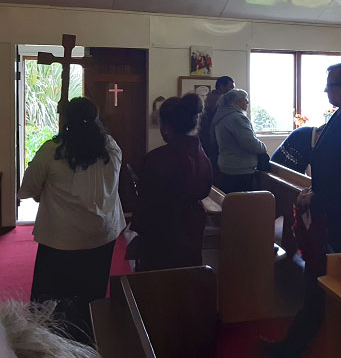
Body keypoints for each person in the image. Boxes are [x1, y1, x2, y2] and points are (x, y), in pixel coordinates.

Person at [262, 62, 341, 358]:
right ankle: (295, 345)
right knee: (318, 285)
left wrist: (318, 198)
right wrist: (315, 192)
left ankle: (297, 346)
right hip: (338, 215)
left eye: (330, 84)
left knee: (328, 286)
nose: (326, 90)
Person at [18, 97, 124, 343]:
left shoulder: (52, 150)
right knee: (92, 293)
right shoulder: (111, 146)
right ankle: (87, 337)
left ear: (66, 120)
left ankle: (50, 343)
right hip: (102, 234)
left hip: (61, 239)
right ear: (96, 119)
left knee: (50, 298)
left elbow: (30, 188)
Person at [132, 93, 213, 271]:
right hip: (192, 225)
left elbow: (146, 202)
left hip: (163, 230)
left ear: (166, 126)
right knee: (187, 277)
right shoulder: (201, 154)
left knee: (160, 283)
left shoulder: (157, 159)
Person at [213, 88, 267, 193]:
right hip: (240, 168)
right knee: (242, 203)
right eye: (245, 99)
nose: (247, 102)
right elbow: (250, 143)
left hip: (227, 164)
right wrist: (263, 147)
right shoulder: (237, 118)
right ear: (236, 102)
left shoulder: (221, 116)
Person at [199, 75, 235, 162]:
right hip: (212, 141)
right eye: (231, 87)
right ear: (221, 87)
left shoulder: (211, 97)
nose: (233, 91)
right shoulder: (218, 100)